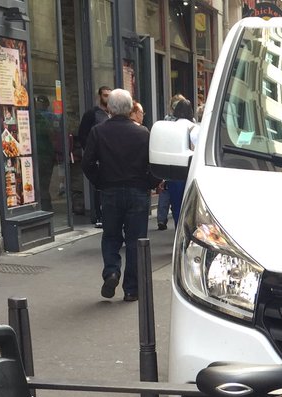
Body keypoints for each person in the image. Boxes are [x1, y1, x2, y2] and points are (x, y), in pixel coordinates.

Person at [81, 89, 162, 303]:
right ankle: (131, 289)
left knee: (111, 236)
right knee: (136, 240)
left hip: (110, 191)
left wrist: (100, 181)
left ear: (109, 108)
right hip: (137, 191)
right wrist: (150, 183)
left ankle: (111, 272)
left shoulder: (98, 132)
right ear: (130, 109)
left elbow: (87, 163)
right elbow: (155, 164)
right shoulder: (143, 133)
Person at [75, 85, 111, 226]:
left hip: (110, 157)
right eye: (105, 95)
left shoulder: (112, 114)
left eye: (110, 96)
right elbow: (82, 134)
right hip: (98, 156)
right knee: (99, 186)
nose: (107, 98)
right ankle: (99, 216)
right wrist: (91, 152)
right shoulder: (92, 114)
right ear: (99, 96)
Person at [155, 94, 189, 231]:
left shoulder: (168, 124)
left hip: (176, 168)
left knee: (177, 205)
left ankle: (179, 231)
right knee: (182, 205)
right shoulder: (193, 126)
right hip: (183, 169)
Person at [165, 96, 196, 226]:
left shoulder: (170, 128)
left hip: (174, 171)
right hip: (190, 171)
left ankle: (179, 228)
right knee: (190, 205)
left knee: (176, 205)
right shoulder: (195, 128)